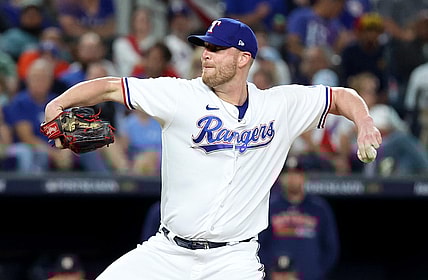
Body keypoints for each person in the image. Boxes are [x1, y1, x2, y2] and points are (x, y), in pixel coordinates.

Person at [42, 17, 381, 279]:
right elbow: (110, 87)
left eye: (218, 49)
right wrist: (56, 105)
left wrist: (364, 122)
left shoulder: (280, 105)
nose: (206, 54)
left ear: (244, 58)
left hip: (233, 260)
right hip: (167, 254)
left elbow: (341, 97)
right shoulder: (180, 96)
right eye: (205, 47)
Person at [259, 156, 340, 280]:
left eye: (297, 174)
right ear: (280, 178)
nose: (292, 178)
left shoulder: (319, 208)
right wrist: (269, 271)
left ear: (304, 177)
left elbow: (330, 247)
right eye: (288, 174)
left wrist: (318, 271)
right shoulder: (270, 207)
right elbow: (259, 245)